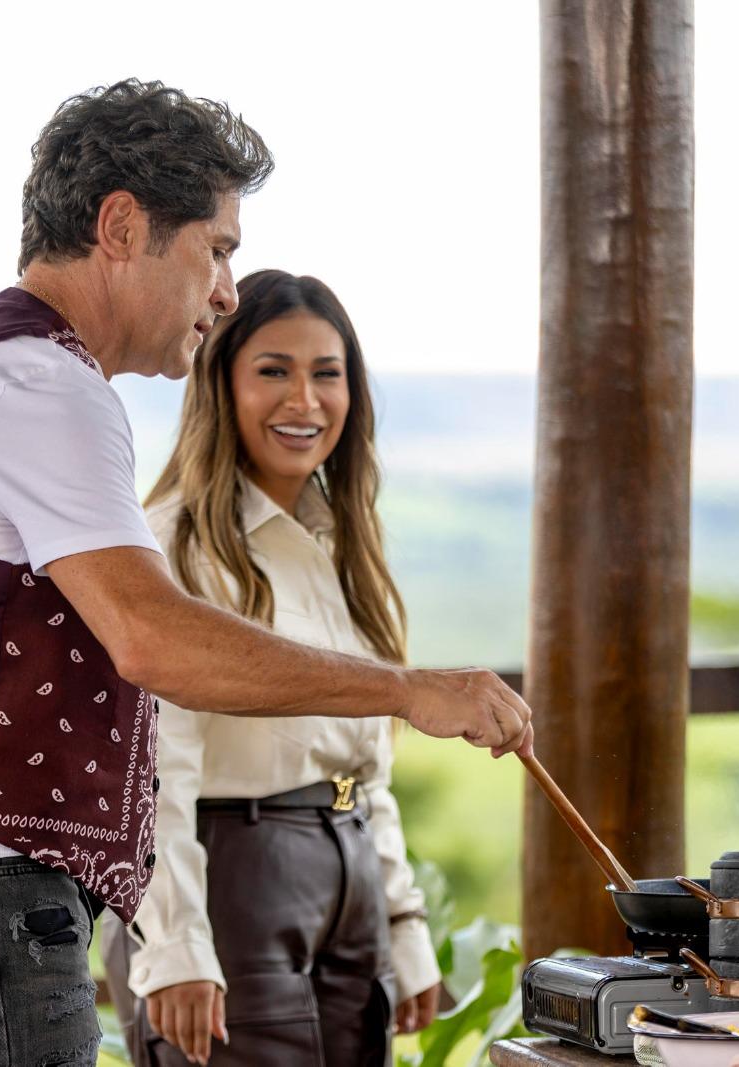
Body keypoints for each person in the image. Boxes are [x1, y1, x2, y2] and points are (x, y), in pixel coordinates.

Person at [0, 79, 532, 1067]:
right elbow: (155, 641)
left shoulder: (8, 366)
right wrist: (409, 689)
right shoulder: (41, 384)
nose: (227, 289)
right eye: (218, 247)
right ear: (120, 225)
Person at [103, 270, 444, 1067]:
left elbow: (369, 767)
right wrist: (177, 945)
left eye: (327, 373)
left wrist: (403, 920)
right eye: (273, 371)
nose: (305, 400)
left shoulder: (343, 547)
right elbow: (151, 771)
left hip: (349, 886)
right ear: (220, 385)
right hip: (231, 884)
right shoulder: (169, 546)